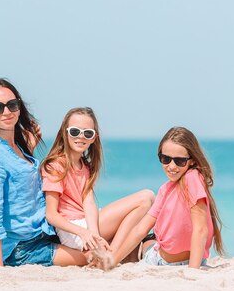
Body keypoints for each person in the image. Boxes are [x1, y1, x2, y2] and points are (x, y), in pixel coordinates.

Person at [0, 78, 151, 267]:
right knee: (95, 256)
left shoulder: (16, 147)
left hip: (44, 235)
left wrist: (28, 152)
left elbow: (23, 183)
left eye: (12, 104)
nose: (7, 112)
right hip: (23, 247)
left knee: (118, 240)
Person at [39, 107, 154, 262]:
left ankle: (115, 253)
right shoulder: (56, 166)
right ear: (65, 133)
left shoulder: (84, 166)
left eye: (87, 133)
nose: (81, 137)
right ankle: (113, 255)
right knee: (146, 197)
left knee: (141, 215)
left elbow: (89, 203)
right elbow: (51, 215)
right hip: (73, 229)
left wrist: (94, 233)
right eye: (74, 131)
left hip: (87, 223)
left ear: (94, 138)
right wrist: (84, 232)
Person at [106, 126, 225, 269]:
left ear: (192, 160)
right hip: (163, 254)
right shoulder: (166, 189)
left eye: (179, 161)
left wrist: (193, 272)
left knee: (142, 245)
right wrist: (112, 262)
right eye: (165, 159)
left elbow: (201, 230)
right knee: (145, 241)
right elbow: (141, 229)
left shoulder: (192, 178)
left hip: (163, 261)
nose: (171, 166)